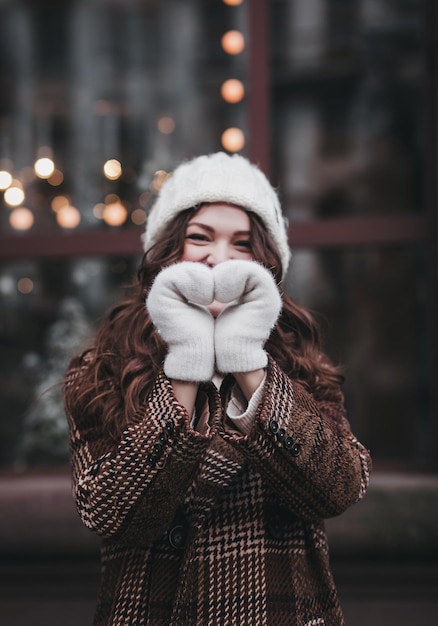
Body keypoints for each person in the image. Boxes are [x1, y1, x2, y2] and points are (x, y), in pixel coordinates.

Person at [63, 152, 372, 626]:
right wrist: (186, 364)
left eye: (242, 244)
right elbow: (112, 515)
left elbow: (339, 489)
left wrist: (248, 361)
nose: (219, 257)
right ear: (168, 251)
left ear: (265, 263)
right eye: (199, 237)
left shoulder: (303, 367)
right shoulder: (102, 370)